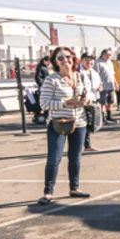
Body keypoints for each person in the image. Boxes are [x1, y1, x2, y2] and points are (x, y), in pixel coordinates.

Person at [37, 47, 92, 205]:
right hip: (58, 124)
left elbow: (89, 94)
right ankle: (48, 192)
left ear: (73, 58)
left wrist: (86, 100)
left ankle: (74, 188)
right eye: (60, 58)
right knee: (54, 158)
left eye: (67, 57)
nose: (65, 60)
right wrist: (66, 103)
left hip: (79, 122)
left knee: (76, 158)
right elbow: (44, 104)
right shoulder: (51, 80)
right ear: (55, 62)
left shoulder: (80, 76)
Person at [78, 54, 103, 152]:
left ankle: (86, 145)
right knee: (84, 123)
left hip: (92, 100)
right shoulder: (78, 72)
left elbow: (99, 83)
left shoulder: (94, 72)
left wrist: (100, 87)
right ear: (82, 61)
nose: (89, 62)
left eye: (91, 61)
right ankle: (84, 145)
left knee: (89, 123)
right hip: (82, 101)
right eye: (86, 60)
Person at [96, 49, 118, 124]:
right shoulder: (98, 63)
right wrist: (98, 85)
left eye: (110, 55)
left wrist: (116, 82)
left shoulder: (110, 62)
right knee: (102, 102)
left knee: (111, 101)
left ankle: (109, 116)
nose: (109, 56)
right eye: (108, 55)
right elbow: (96, 75)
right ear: (103, 54)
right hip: (103, 87)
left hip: (111, 86)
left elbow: (113, 74)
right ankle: (103, 118)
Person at [32, 57, 52, 125]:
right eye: (48, 61)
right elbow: (38, 77)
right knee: (45, 102)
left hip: (45, 86)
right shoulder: (41, 67)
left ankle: (45, 116)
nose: (49, 63)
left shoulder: (43, 67)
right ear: (44, 61)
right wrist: (43, 84)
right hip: (44, 87)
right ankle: (46, 116)